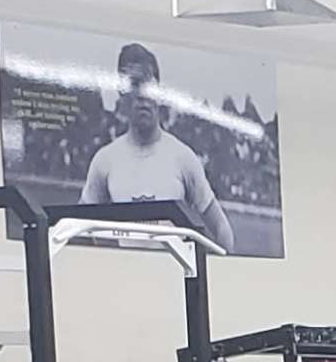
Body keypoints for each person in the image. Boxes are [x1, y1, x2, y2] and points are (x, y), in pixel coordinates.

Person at [79, 44, 228, 248]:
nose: (143, 97)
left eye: (150, 87)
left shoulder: (183, 158)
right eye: (134, 85)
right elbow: (80, 227)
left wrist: (223, 270)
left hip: (174, 276)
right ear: (122, 92)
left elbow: (220, 227)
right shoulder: (105, 161)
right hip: (126, 276)